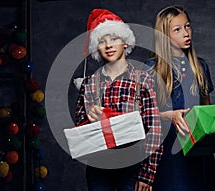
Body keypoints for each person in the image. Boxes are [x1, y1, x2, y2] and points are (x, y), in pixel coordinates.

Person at [74, 9, 163, 191]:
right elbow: (79, 130)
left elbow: (154, 129)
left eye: (114, 38)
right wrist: (87, 118)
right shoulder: (90, 83)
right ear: (96, 48)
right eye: (102, 41)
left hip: (132, 165)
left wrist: (147, 173)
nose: (108, 45)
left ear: (125, 42)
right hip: (98, 165)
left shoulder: (143, 79)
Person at [145, 5, 215, 191]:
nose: (186, 33)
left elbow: (206, 112)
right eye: (177, 29)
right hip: (168, 152)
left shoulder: (200, 66)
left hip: (197, 152)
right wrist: (169, 116)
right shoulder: (151, 69)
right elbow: (142, 116)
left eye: (187, 26)